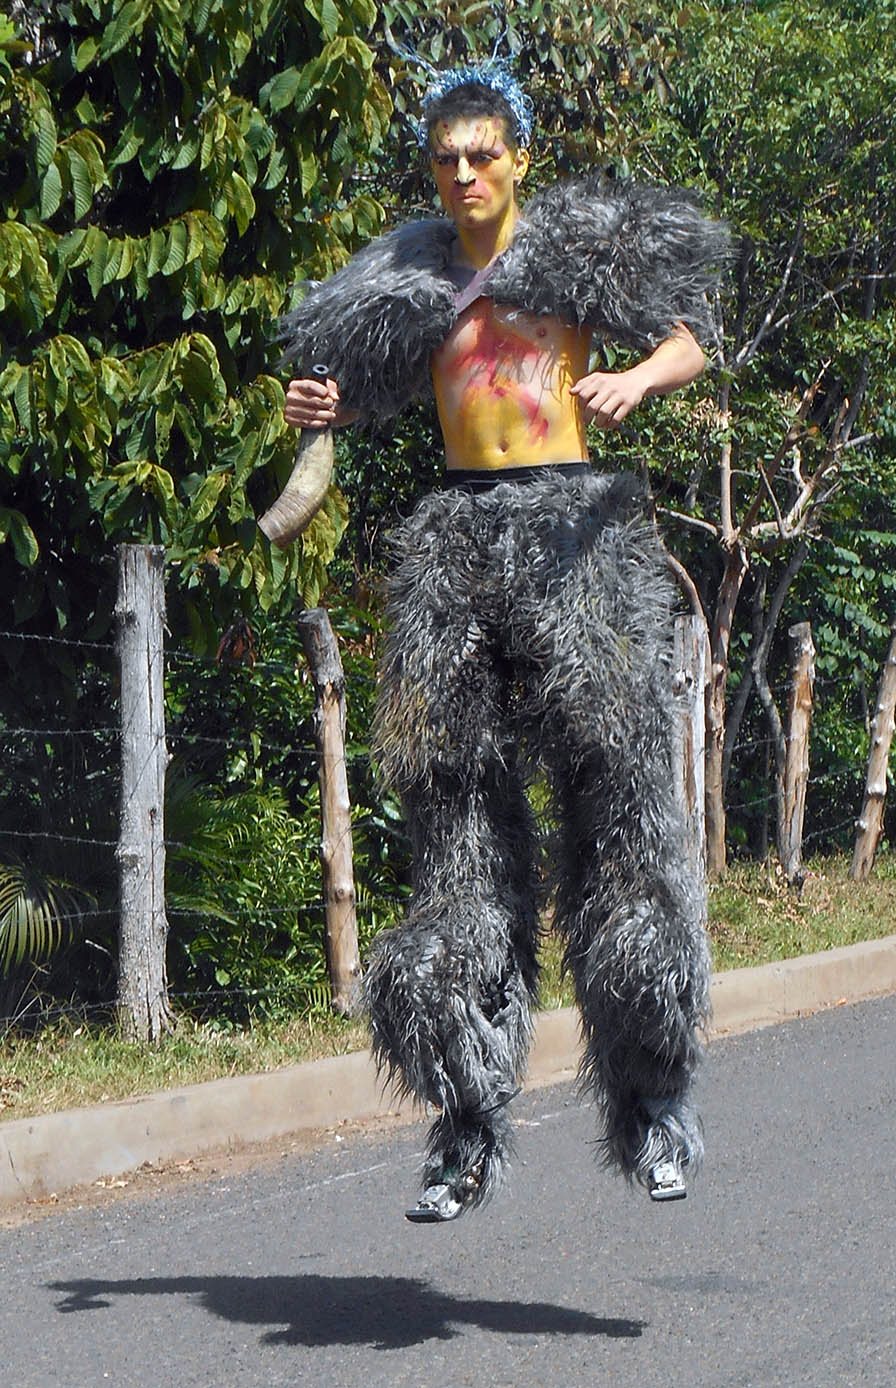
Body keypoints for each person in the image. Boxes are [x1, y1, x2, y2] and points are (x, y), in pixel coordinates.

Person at [278, 62, 727, 1222]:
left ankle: (654, 1109)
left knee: (623, 818)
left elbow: (691, 340)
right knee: (457, 835)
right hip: (458, 545)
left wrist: (633, 376)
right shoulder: (408, 278)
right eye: (447, 158)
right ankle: (465, 1127)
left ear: (518, 158)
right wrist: (319, 413)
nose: (466, 174)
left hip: (578, 531)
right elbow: (353, 388)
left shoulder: (577, 251)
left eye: (484, 155)